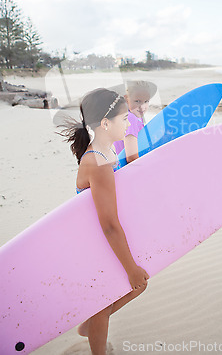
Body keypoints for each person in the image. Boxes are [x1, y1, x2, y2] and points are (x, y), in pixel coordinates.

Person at [59, 88, 149, 355]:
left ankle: (91, 326)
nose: (128, 123)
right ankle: (97, 345)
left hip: (97, 238)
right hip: (97, 241)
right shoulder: (98, 163)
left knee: (131, 289)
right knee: (108, 297)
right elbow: (109, 223)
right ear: (106, 123)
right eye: (124, 119)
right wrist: (130, 266)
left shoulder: (103, 153)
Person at [113, 80, 157, 163]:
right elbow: (131, 157)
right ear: (126, 99)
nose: (142, 107)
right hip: (124, 169)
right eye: (137, 101)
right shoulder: (130, 118)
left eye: (146, 101)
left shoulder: (136, 116)